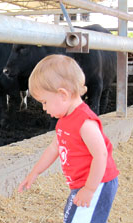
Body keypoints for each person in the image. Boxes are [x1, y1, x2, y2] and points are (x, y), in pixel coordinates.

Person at [18, 54, 119, 223]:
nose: (44, 108)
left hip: (98, 183)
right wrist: (35, 172)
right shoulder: (64, 120)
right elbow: (54, 148)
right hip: (82, 183)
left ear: (62, 94)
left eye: (44, 102)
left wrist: (89, 189)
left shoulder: (85, 122)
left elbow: (101, 155)